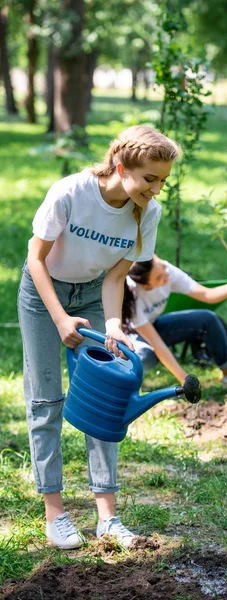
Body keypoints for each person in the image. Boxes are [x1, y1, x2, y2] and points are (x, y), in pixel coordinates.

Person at [17, 125, 181, 549]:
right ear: (121, 166)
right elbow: (36, 259)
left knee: (106, 399)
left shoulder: (148, 213)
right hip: (44, 292)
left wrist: (112, 324)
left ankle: (107, 518)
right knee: (46, 399)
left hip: (93, 292)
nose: (158, 188)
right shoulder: (70, 193)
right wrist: (60, 320)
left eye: (163, 180)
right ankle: (56, 514)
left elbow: (116, 278)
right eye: (150, 178)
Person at [122, 256, 227, 390]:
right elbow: (155, 342)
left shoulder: (166, 271)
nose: (166, 275)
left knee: (208, 319)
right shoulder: (132, 295)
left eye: (163, 266)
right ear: (146, 285)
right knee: (145, 359)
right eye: (159, 278)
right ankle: (121, 382)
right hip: (132, 337)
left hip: (153, 325)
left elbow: (206, 294)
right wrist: (185, 380)